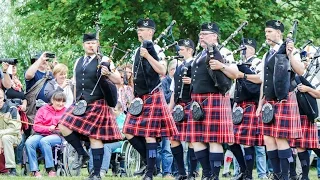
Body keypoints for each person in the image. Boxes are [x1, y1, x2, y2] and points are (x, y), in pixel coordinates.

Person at [59, 33, 122, 180]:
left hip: (98, 102)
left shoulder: (105, 59)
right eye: (88, 43)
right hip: (81, 104)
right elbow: (75, 83)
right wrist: (74, 101)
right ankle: (82, 153)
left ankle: (96, 174)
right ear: (83, 45)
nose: (91, 46)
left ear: (97, 45)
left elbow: (118, 79)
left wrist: (109, 73)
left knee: (95, 138)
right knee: (63, 125)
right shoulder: (78, 61)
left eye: (93, 43)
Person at [123, 18, 178, 180]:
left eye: (142, 30)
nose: (139, 32)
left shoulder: (157, 48)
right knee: (128, 131)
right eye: (138, 29)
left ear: (151, 32)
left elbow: (162, 70)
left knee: (150, 136)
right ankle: (150, 163)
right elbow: (136, 75)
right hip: (140, 97)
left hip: (153, 95)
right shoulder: (136, 50)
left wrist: (148, 55)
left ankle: (149, 173)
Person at [185, 22, 238, 180]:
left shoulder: (224, 51)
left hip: (214, 98)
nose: (201, 36)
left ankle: (214, 176)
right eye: (201, 34)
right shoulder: (199, 54)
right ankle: (207, 174)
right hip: (198, 101)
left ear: (215, 36)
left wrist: (222, 66)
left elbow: (235, 73)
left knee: (214, 140)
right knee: (197, 140)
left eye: (206, 34)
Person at [256, 20, 304, 180]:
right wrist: (260, 104)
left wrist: (290, 54)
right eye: (266, 32)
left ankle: (285, 176)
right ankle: (276, 175)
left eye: (269, 32)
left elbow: (301, 71)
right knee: (269, 140)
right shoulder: (266, 54)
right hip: (269, 101)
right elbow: (264, 81)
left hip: (284, 99)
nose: (266, 35)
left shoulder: (290, 49)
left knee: (281, 139)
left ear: (279, 33)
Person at [229, 38, 264, 180]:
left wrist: (243, 74)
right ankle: (244, 170)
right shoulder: (238, 63)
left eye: (246, 48)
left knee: (248, 141)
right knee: (231, 140)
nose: (243, 51)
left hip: (251, 104)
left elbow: (261, 79)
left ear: (252, 49)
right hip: (239, 104)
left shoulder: (258, 62)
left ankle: (248, 174)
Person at [168, 39, 198, 180]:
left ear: (190, 50)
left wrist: (192, 82)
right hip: (178, 108)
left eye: (182, 49)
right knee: (173, 139)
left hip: (191, 104)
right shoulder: (179, 67)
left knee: (192, 140)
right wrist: (169, 109)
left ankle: (192, 173)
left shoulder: (196, 64)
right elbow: (174, 91)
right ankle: (181, 172)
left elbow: (203, 85)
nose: (179, 51)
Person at [25, 92, 66, 177]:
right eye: (58, 101)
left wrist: (55, 126)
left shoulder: (66, 111)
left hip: (58, 136)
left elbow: (67, 127)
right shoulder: (43, 109)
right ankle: (35, 170)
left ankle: (50, 169)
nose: (61, 104)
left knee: (45, 141)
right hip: (41, 134)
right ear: (52, 100)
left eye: (63, 101)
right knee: (29, 142)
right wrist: (47, 128)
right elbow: (36, 127)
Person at [0, 89, 21, 176]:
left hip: (14, 137)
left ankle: (12, 169)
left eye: (0, 98)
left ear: (4, 98)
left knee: (6, 138)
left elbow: (15, 128)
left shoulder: (12, 108)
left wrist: (0, 134)